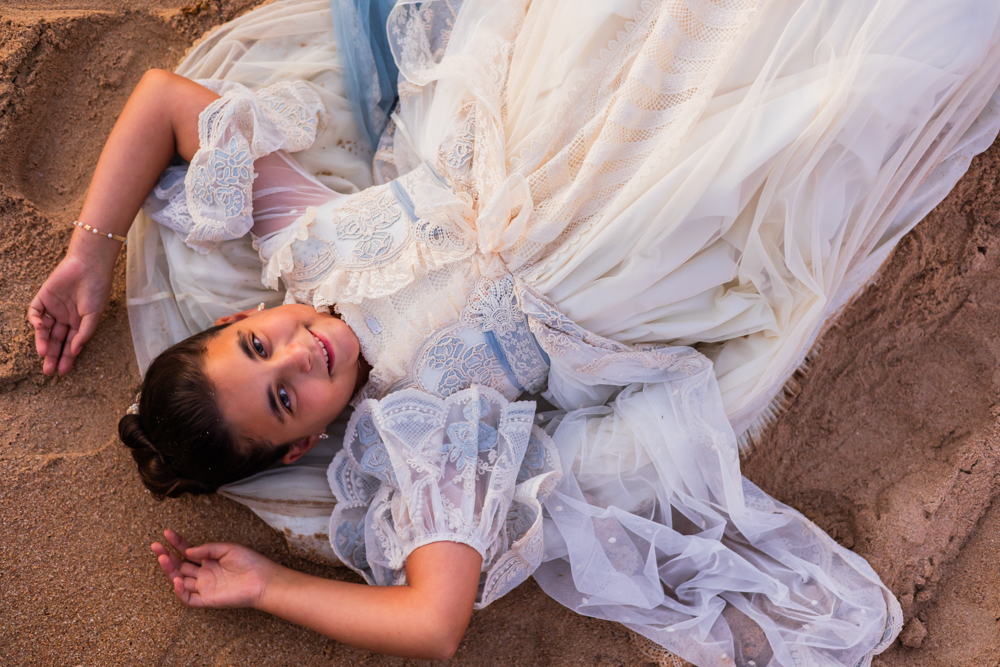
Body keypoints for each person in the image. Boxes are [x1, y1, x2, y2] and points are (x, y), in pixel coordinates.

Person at [27, 0, 1000, 664]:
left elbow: (164, 101)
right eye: (285, 396)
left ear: (241, 315)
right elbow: (432, 619)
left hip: (528, 131)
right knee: (806, 95)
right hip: (620, 251)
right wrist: (267, 586)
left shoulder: (303, 239)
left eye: (256, 344)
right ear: (303, 443)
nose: (295, 354)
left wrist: (87, 252)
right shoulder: (416, 428)